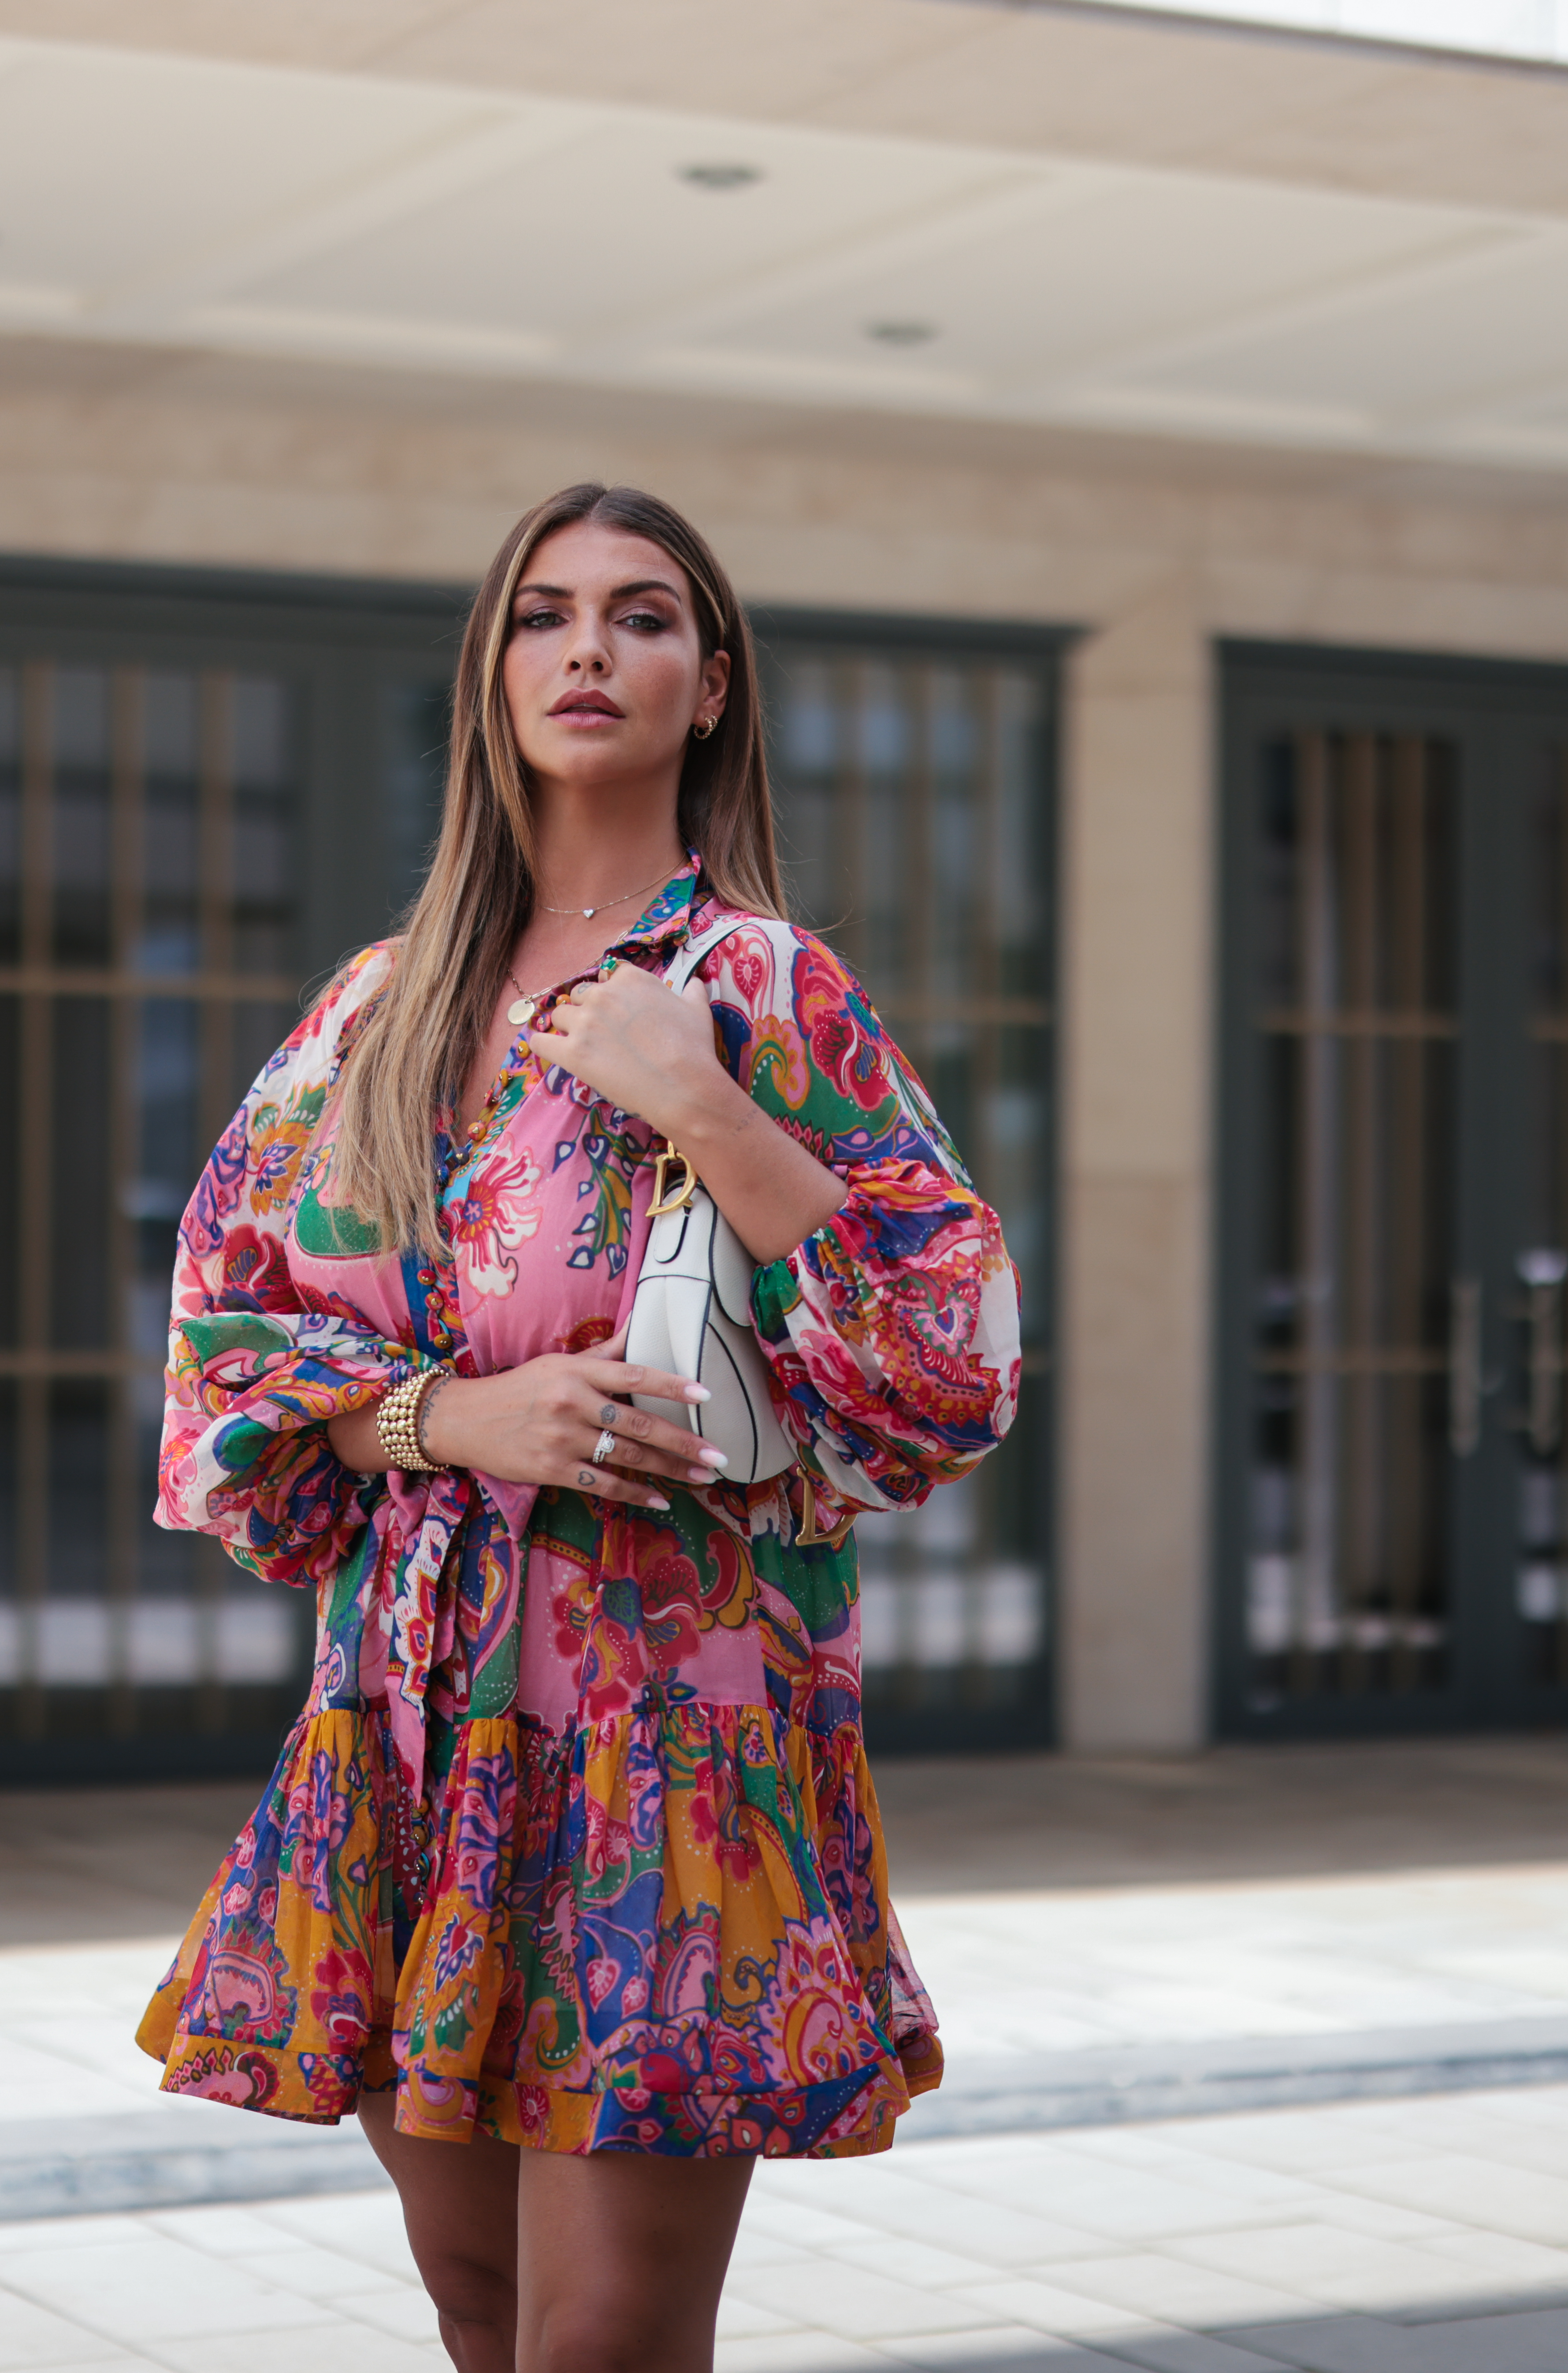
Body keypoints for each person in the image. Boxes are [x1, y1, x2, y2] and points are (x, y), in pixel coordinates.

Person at [135, 483, 1022, 2373]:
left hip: (671, 1745)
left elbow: (952, 1365)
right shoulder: (378, 1012)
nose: (588, 651)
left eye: (641, 616)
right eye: (544, 617)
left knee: (604, 2336)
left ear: (712, 684)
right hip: (409, 1740)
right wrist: (454, 1413)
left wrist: (705, 1110)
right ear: (492, 673)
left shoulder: (768, 990)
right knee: (476, 2308)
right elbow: (223, 1352)